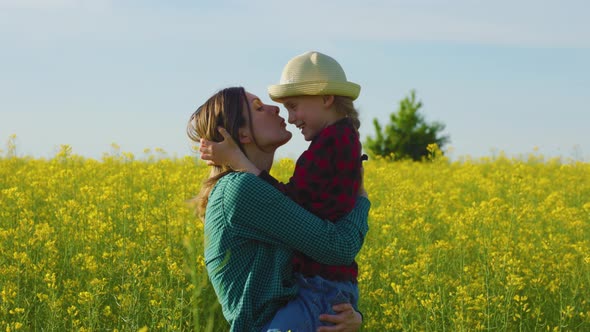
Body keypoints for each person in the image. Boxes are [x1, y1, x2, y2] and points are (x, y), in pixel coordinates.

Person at [199, 51, 367, 331]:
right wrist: (361, 198)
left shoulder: (255, 187)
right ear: (242, 134)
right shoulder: (241, 189)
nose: (276, 110)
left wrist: (350, 315)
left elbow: (313, 265)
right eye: (258, 107)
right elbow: (338, 247)